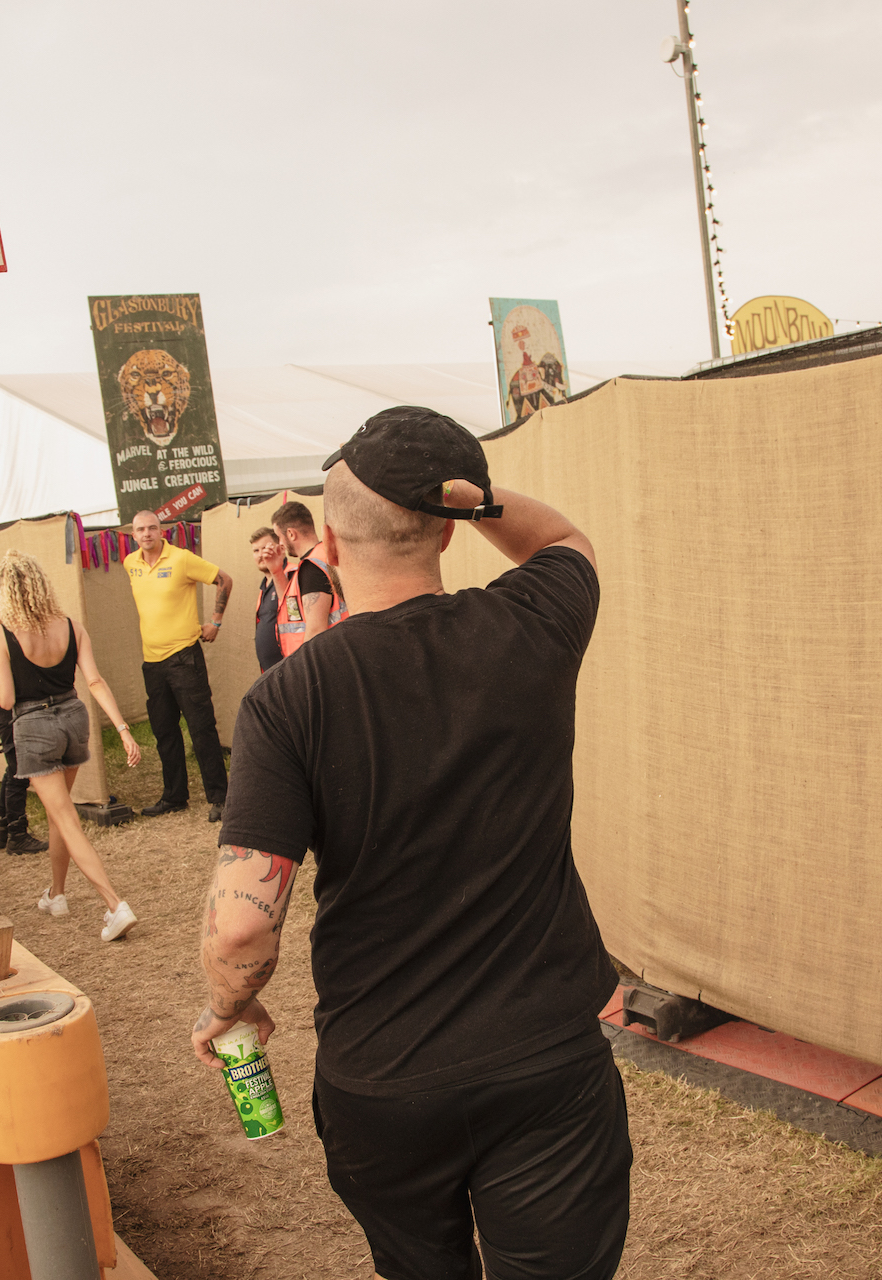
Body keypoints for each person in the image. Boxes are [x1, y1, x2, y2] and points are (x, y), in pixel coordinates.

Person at [193, 407, 631, 1280]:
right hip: (544, 1061)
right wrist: (479, 499)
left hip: (381, 1076)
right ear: (451, 528)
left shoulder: (288, 700)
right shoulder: (533, 622)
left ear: (325, 545)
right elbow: (564, 539)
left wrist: (228, 1005)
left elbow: (242, 927)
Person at [0, 551, 140, 940]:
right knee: (60, 813)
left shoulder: (2, 634)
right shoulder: (71, 626)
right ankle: (57, 894)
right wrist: (122, 729)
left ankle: (115, 905)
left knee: (67, 819)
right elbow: (94, 681)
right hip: (73, 718)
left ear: (5, 592)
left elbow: (6, 699)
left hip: (33, 725)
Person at [123, 509, 232, 821]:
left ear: (162, 531)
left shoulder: (181, 559)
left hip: (184, 657)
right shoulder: (130, 563)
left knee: (201, 727)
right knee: (164, 731)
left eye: (152, 528)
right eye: (141, 529)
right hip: (152, 662)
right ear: (134, 534)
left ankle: (221, 798)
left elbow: (224, 579)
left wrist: (215, 622)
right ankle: (174, 796)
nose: (147, 534)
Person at [0, 570, 49, 855]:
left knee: (14, 764)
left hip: (7, 703)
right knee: (20, 768)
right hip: (2, 705)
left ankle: (5, 829)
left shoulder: (8, 624)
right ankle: (17, 834)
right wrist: (6, 699)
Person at [270, 499, 348, 656]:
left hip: (325, 659)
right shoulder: (326, 555)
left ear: (291, 534)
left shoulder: (311, 567)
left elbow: (315, 631)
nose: (280, 543)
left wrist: (300, 668)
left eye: (279, 537)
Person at [248, 526, 289, 674]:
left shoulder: (291, 575)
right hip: (270, 672)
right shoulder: (263, 586)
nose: (261, 555)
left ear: (280, 548)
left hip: (289, 667)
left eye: (265, 548)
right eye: (256, 551)